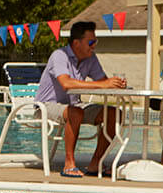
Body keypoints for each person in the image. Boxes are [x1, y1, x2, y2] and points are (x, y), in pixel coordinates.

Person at [37, 22, 126, 177]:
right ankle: (69, 164)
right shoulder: (59, 55)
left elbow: (103, 82)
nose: (94, 46)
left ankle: (96, 163)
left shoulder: (90, 58)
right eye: (91, 42)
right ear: (76, 43)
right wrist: (104, 84)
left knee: (114, 114)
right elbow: (66, 83)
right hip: (45, 106)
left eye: (95, 42)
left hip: (74, 105)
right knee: (76, 112)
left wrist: (116, 84)